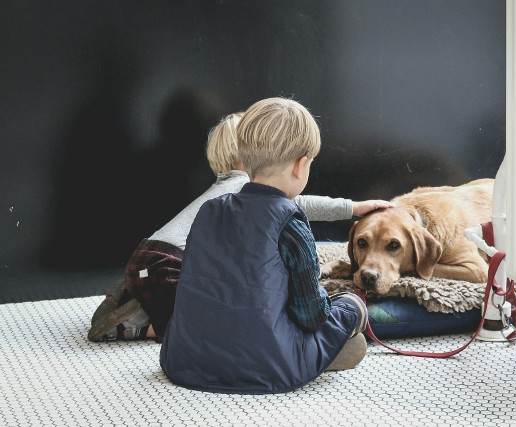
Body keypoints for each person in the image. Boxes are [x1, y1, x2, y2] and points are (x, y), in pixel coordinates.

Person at [88, 111, 391, 343]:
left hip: (148, 257)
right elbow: (300, 203)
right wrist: (352, 207)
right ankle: (132, 327)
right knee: (193, 326)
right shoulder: (245, 189)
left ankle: (133, 297)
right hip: (169, 264)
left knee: (185, 300)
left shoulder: (224, 189)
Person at [160, 97, 374, 394]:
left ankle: (313, 351)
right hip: (268, 367)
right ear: (301, 166)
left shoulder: (209, 210)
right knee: (351, 306)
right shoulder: (290, 223)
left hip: (185, 359)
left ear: (244, 161)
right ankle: (324, 350)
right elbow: (311, 315)